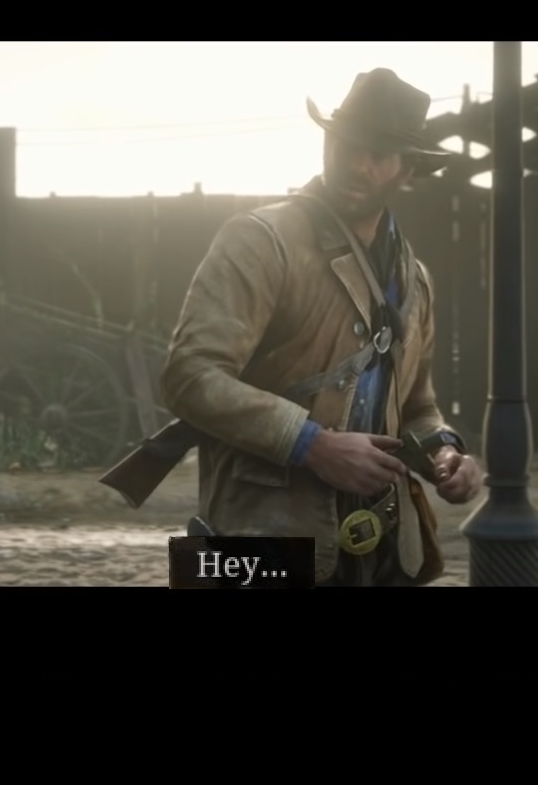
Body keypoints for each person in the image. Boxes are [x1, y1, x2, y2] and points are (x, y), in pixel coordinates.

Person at [160, 68, 482, 587]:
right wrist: (312, 444)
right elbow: (189, 376)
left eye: (379, 152)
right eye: (348, 144)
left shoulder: (413, 279)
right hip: (264, 537)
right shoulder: (260, 240)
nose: (357, 163)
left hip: (383, 547)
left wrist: (446, 454)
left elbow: (417, 407)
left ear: (407, 167)